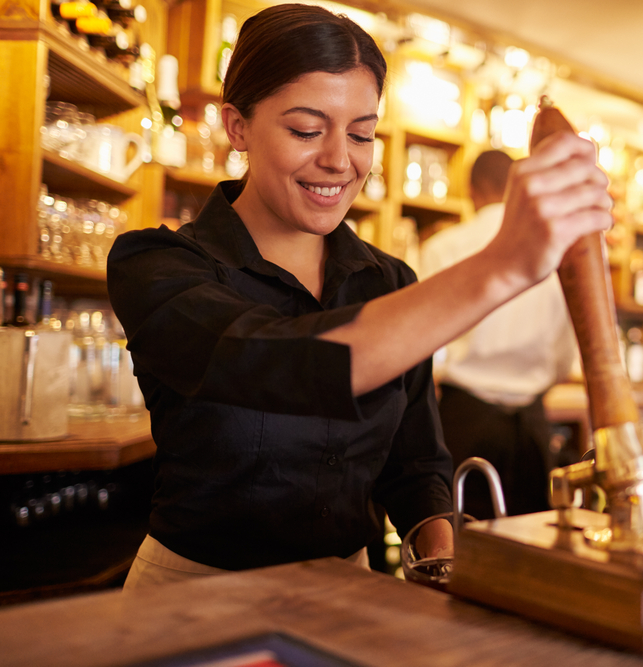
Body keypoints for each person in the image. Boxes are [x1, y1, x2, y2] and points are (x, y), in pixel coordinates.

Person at [107, 3, 611, 590]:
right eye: (306, 130)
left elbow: (416, 464)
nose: (340, 161)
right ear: (237, 125)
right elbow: (279, 362)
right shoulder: (156, 264)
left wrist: (446, 567)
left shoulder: (390, 281)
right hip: (191, 594)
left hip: (352, 588)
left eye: (362, 134)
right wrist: (501, 264)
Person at [420, 150, 578, 519]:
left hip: (465, 418)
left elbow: (426, 349)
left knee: (461, 544)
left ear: (472, 190)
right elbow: (564, 356)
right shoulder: (554, 254)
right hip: (533, 426)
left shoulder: (444, 248)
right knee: (530, 541)